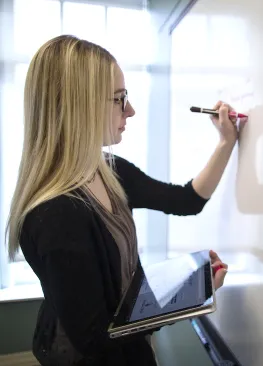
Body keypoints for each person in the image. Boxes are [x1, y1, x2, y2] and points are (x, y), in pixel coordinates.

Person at [6, 35, 239, 366]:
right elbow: (95, 338)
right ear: (79, 104)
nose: (129, 110)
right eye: (119, 98)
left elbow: (186, 200)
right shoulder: (56, 214)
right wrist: (188, 298)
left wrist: (226, 142)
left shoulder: (109, 170)